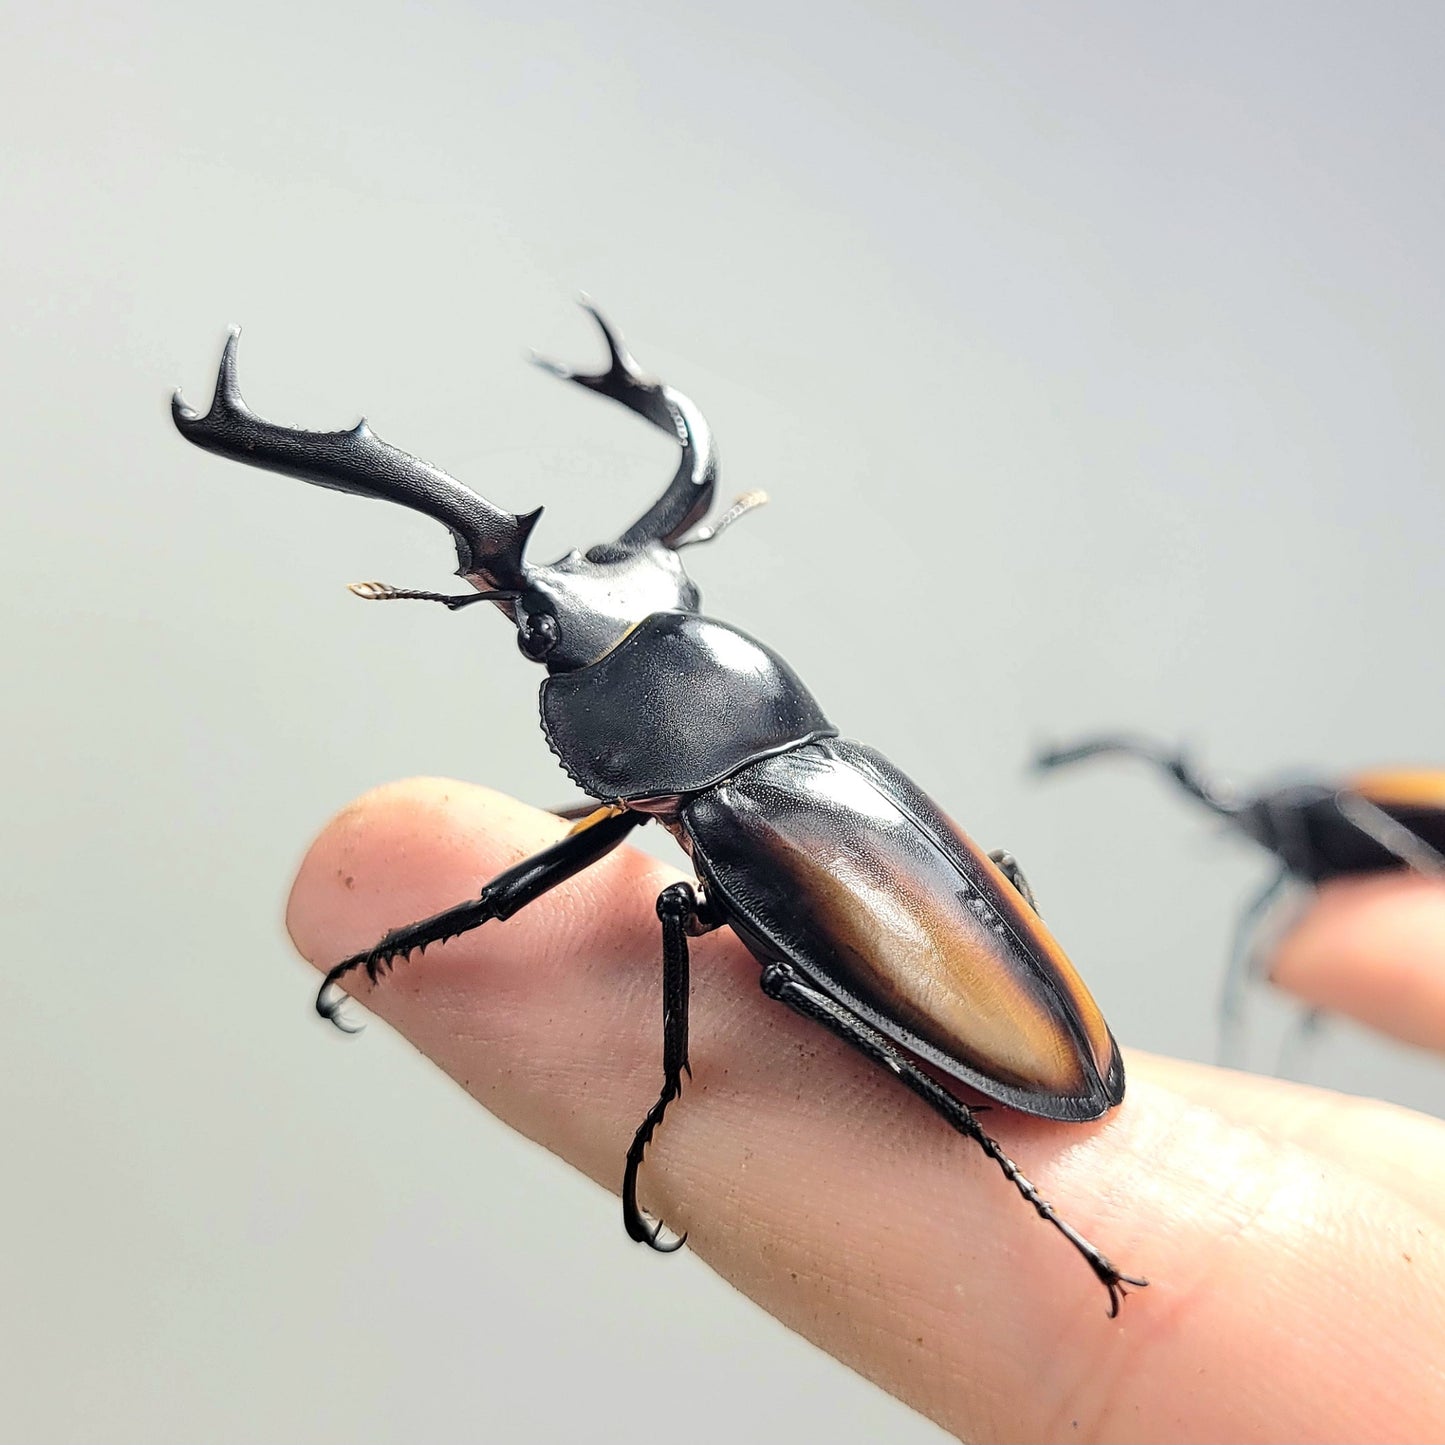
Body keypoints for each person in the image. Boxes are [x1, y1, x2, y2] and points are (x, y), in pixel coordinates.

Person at [286, 778, 1445, 1443]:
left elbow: (507, 901)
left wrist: (394, 950)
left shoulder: (706, 800)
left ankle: (980, 1142)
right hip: (1050, 1032)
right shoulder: (809, 766)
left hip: (1007, 1057)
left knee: (743, 954)